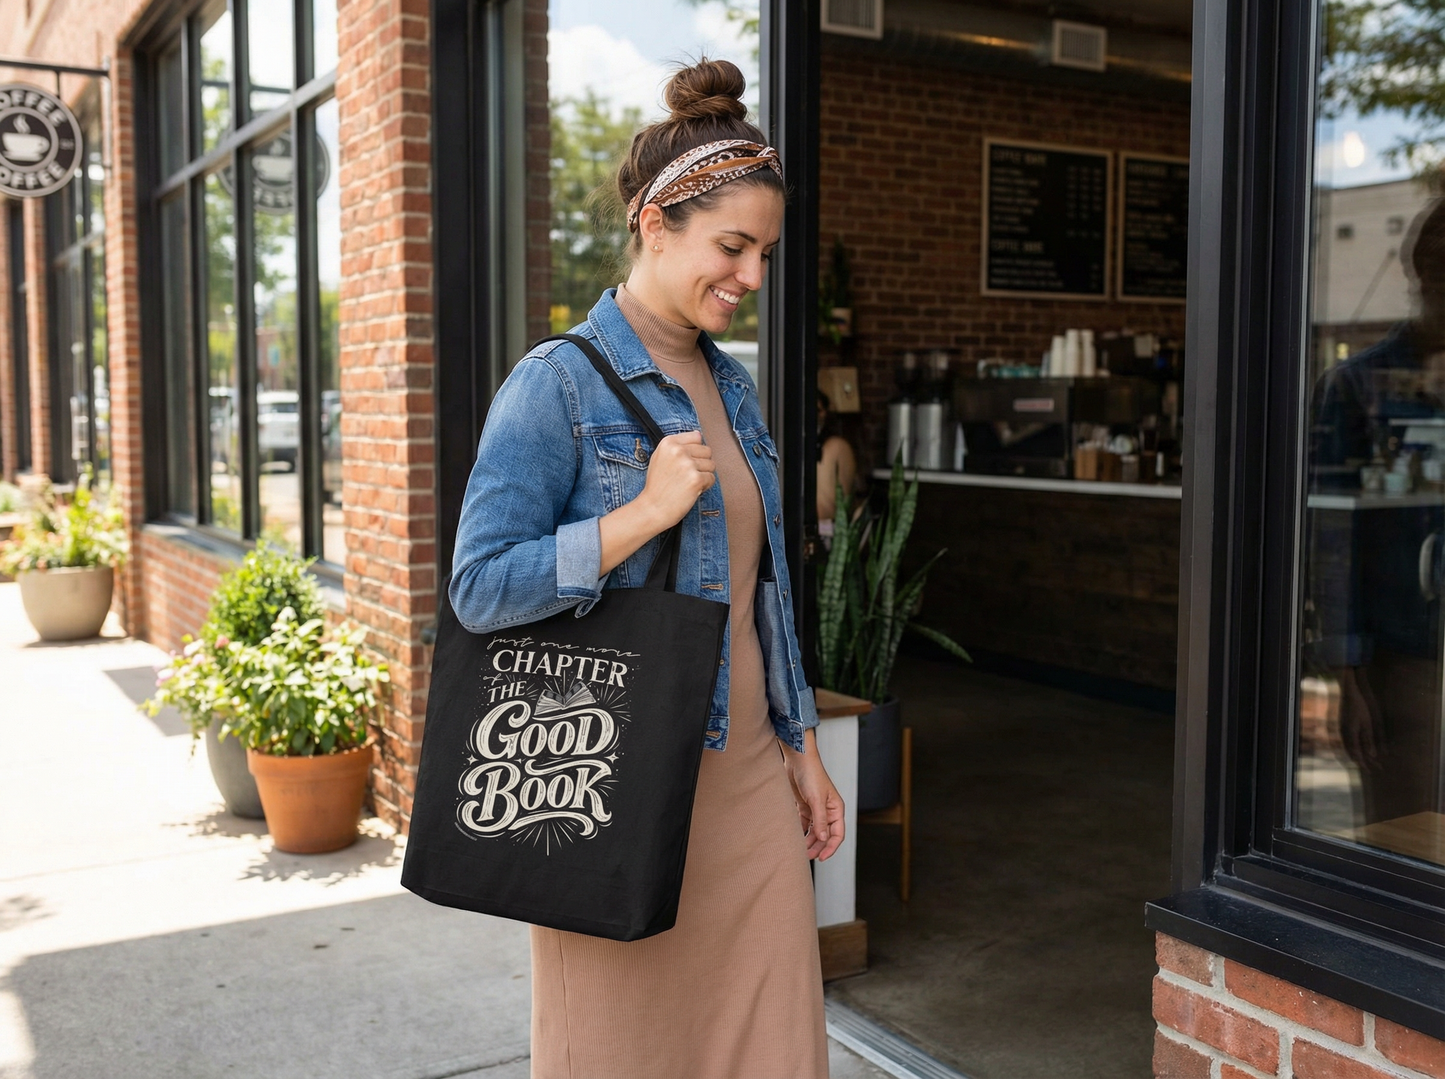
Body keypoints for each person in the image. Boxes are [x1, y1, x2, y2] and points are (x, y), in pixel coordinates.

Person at [448, 58, 843, 1079]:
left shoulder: (733, 385)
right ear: (654, 224)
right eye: (731, 246)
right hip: (607, 774)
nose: (751, 275)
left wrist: (801, 743)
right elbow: (480, 585)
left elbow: (763, 589)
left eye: (763, 250)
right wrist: (640, 516)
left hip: (746, 772)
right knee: (620, 1048)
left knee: (772, 1044)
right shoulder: (553, 385)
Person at [1308, 196, 1445, 839]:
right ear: (1421, 273)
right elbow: (1333, 541)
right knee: (1408, 844)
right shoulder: (1359, 386)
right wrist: (1350, 679)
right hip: (1404, 657)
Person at [816, 388, 857, 538]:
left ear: (825, 413)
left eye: (818, 410)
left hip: (827, 530)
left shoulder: (836, 447)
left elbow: (832, 507)